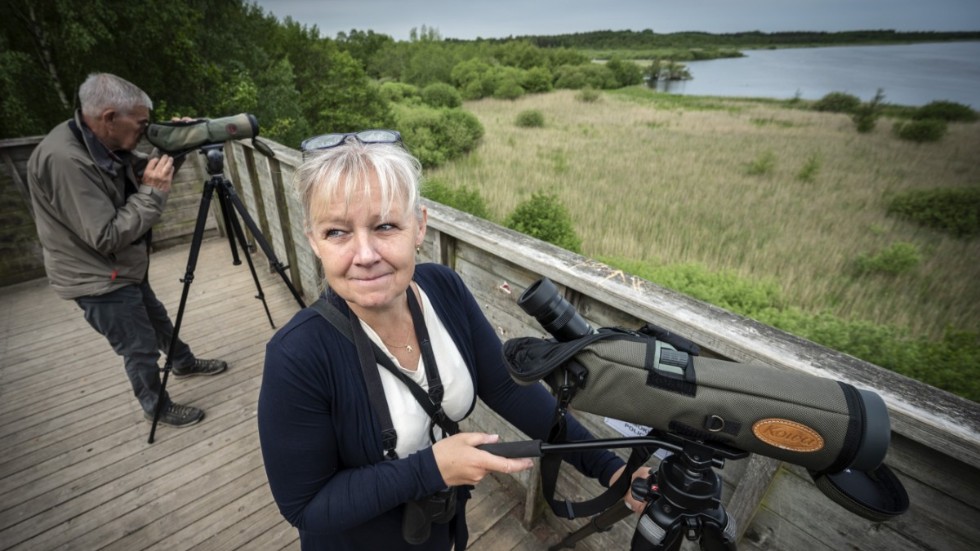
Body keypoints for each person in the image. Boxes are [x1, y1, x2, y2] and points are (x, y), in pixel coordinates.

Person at [258, 130, 647, 550]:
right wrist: (432, 469)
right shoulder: (296, 356)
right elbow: (306, 506)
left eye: (385, 225)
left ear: (419, 226)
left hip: (443, 527)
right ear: (314, 241)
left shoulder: (443, 289)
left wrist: (610, 468)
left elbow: (506, 389)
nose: (365, 254)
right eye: (337, 232)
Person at [26, 72, 227, 428]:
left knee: (157, 319)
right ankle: (156, 406)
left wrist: (174, 148)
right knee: (139, 346)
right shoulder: (66, 161)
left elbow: (139, 172)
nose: (145, 131)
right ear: (109, 118)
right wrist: (153, 193)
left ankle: (182, 362)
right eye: (141, 124)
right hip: (98, 277)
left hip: (122, 266)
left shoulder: (98, 141)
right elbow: (105, 235)